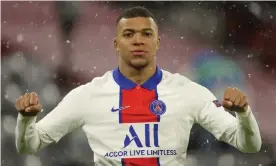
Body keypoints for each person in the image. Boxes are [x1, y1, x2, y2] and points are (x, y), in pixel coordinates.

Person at [15, 6, 261, 166]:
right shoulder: (88, 96)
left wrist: (244, 115)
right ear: (115, 43)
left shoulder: (188, 93)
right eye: (129, 34)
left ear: (158, 43)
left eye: (146, 34)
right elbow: (30, 144)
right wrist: (26, 120)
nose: (138, 41)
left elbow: (249, 145)